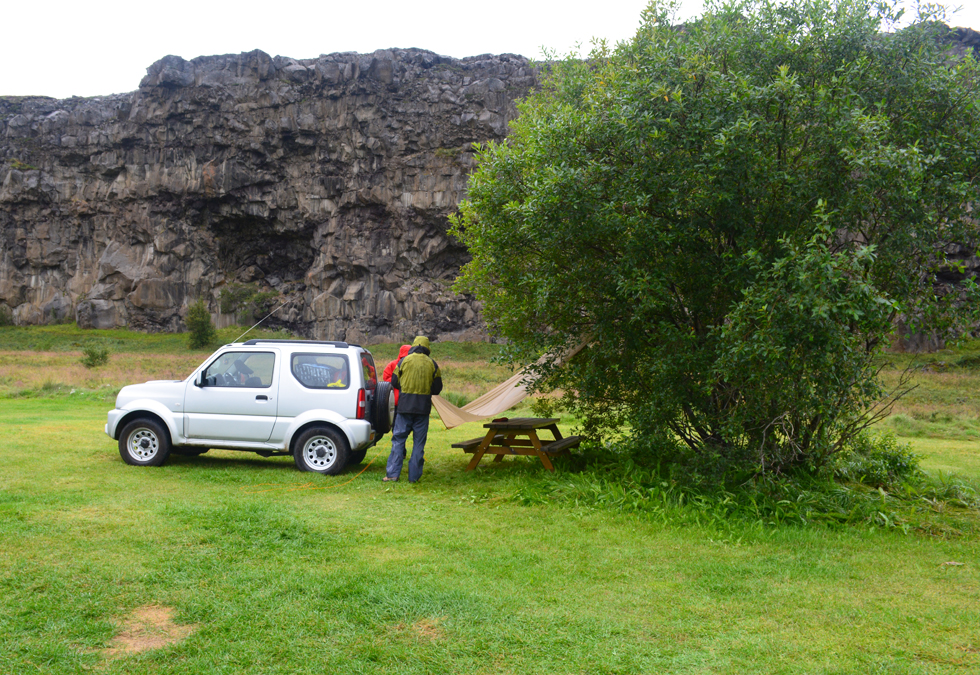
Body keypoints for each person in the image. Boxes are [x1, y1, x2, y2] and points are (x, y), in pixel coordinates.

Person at [384, 336, 442, 483]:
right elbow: (437, 388)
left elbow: (394, 382)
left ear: (414, 346)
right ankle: (414, 477)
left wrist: (405, 389)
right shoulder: (432, 364)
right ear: (427, 347)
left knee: (398, 440)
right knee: (419, 443)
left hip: (404, 408)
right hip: (423, 410)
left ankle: (392, 475)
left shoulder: (403, 361)